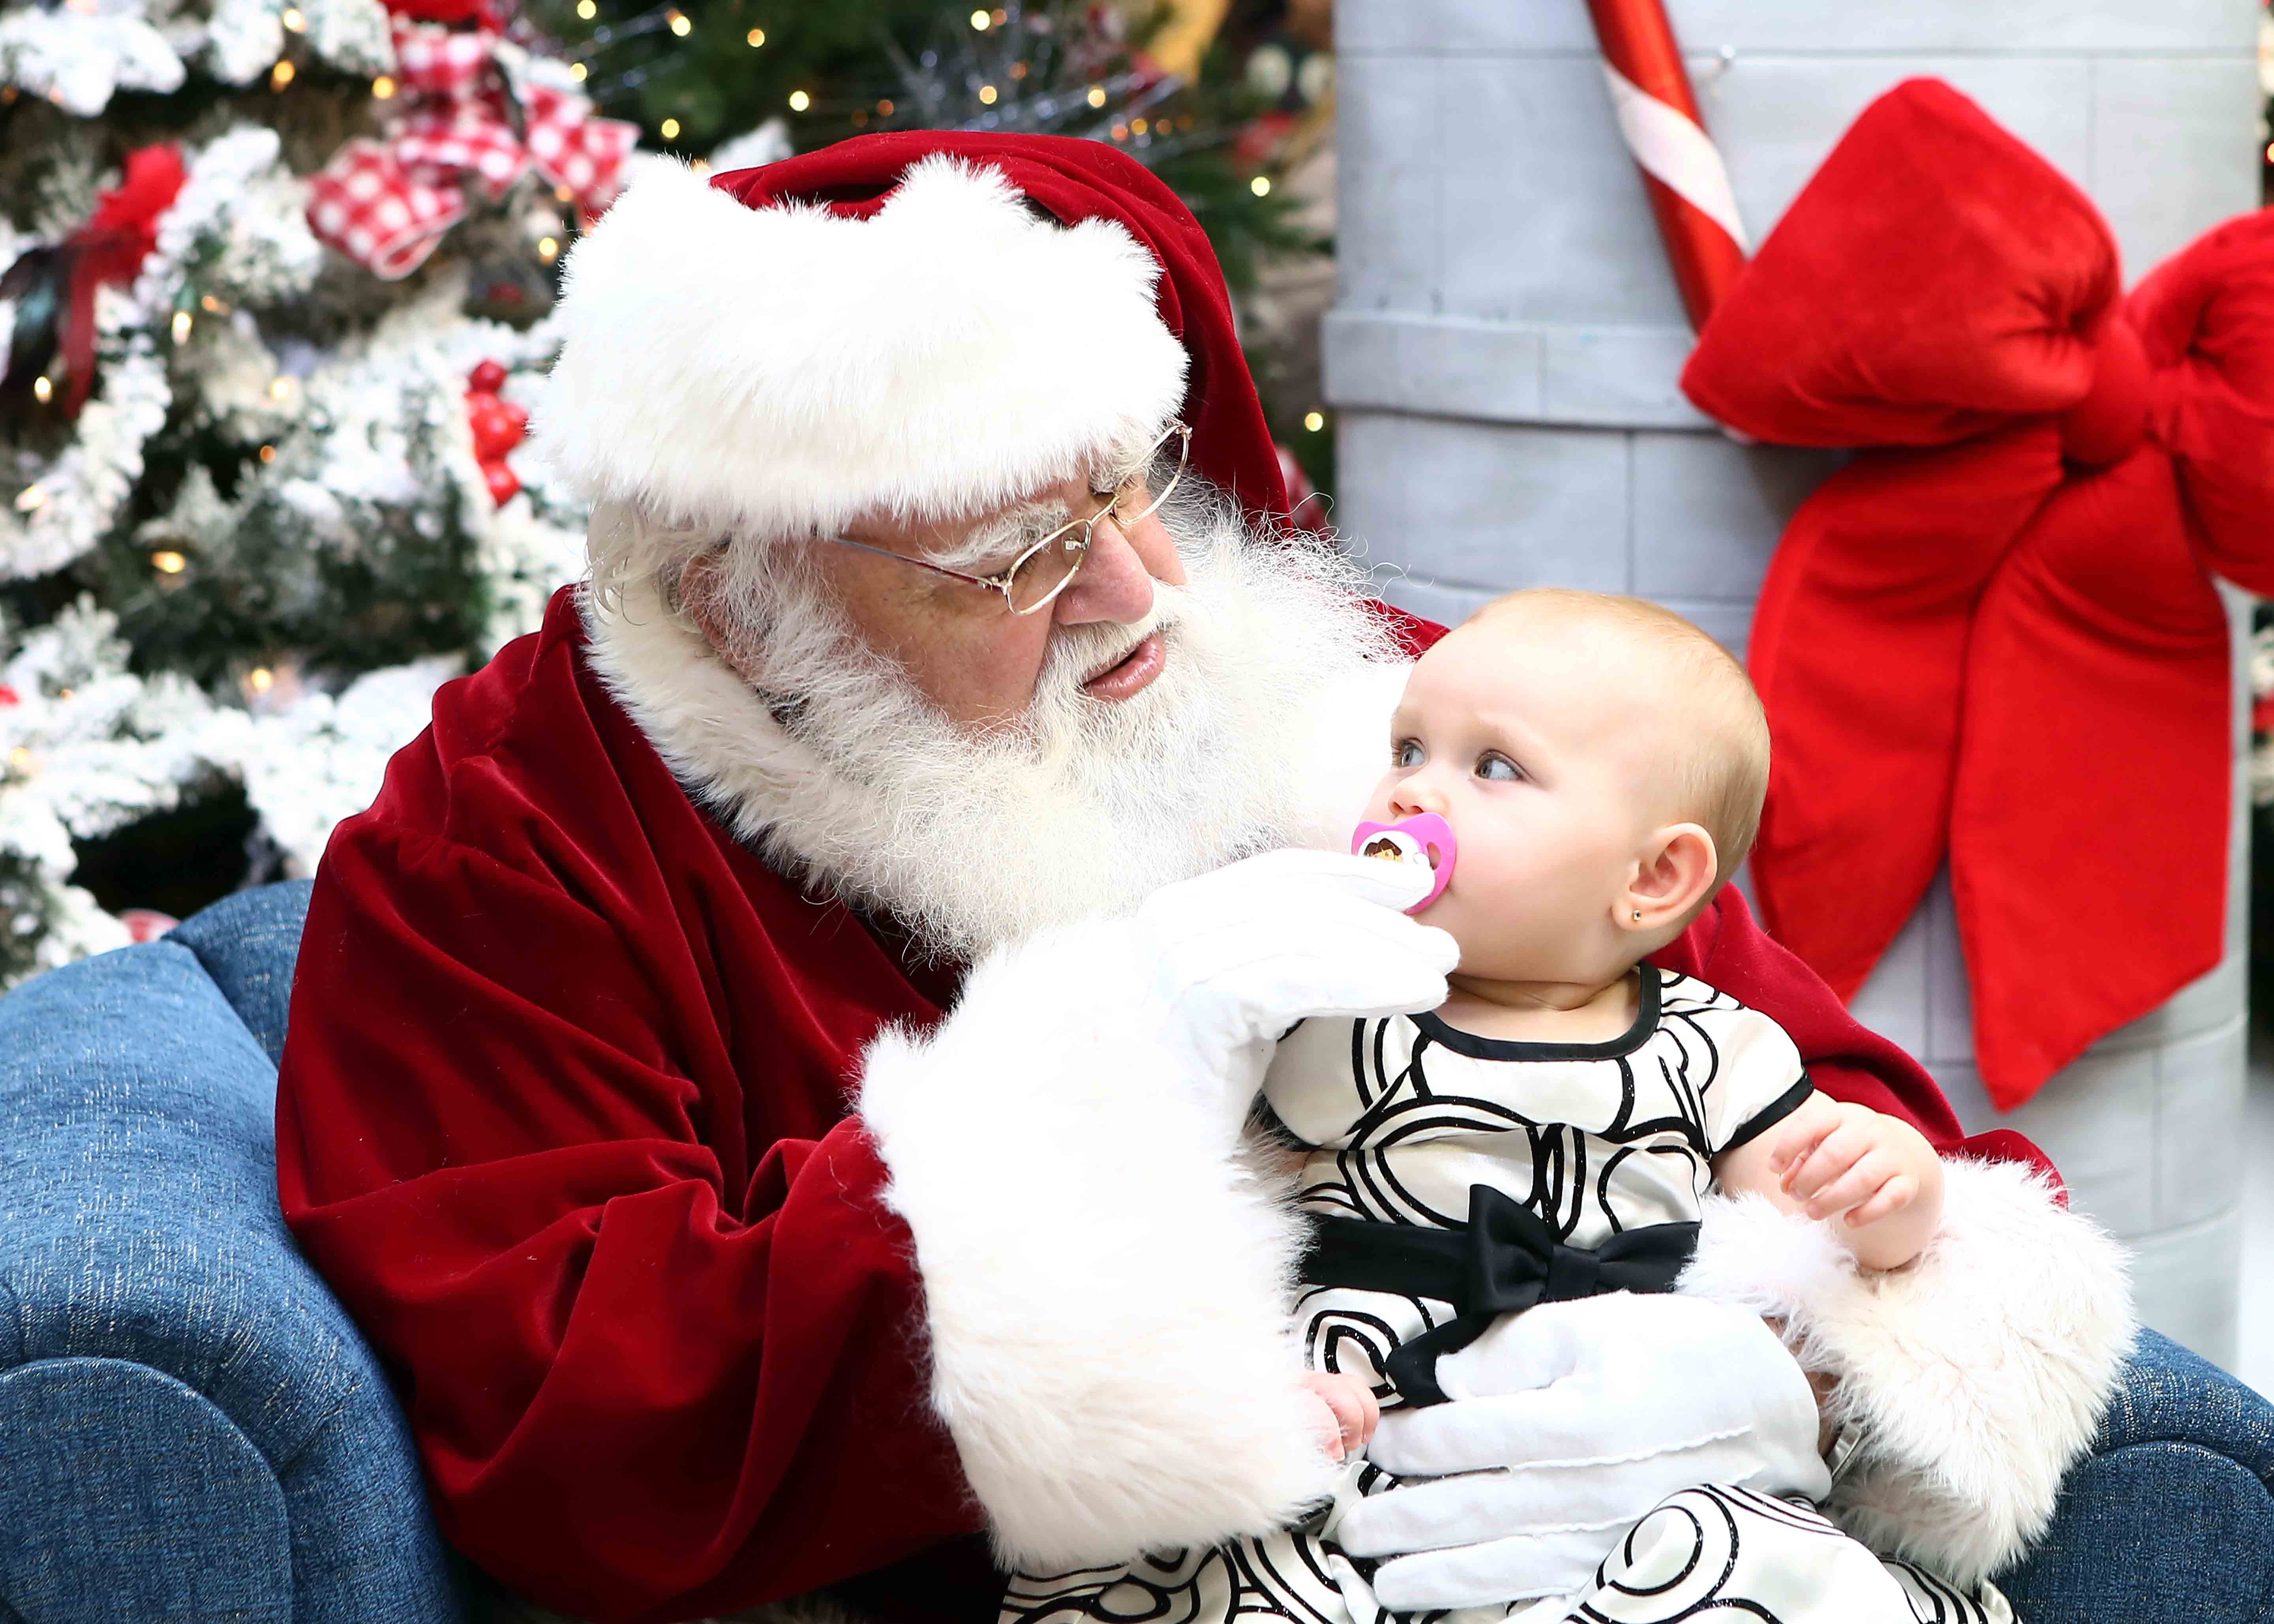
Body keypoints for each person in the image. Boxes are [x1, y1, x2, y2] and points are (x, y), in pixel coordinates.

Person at [273, 135, 2131, 1624]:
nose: (1134, 590)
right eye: (1011, 556)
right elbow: (583, 1416)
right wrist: (1097, 1100)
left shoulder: (1385, 708)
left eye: (1130, 486)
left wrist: (1767, 1357)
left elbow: (1820, 1092)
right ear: (742, 611)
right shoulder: (508, 839)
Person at [1003, 590, 1998, 1624]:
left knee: (1763, 1571)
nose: (1409, 793)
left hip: (1616, 1465)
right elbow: (1190, 1206)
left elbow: (1830, 1218)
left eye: (1493, 768)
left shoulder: (1713, 1042)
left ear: (1655, 877)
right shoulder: (1333, 995)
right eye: (1406, 748)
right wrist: (1250, 1389)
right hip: (1364, 1456)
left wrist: (1899, 1188)